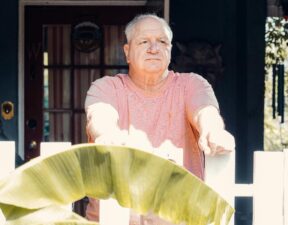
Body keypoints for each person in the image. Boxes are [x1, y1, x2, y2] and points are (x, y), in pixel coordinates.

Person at [84, 14, 235, 225]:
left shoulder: (191, 84)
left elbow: (205, 111)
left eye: (162, 42)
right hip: (113, 218)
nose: (153, 48)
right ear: (127, 52)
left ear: (170, 51)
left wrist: (213, 131)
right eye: (144, 41)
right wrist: (107, 134)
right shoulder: (106, 87)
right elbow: (100, 115)